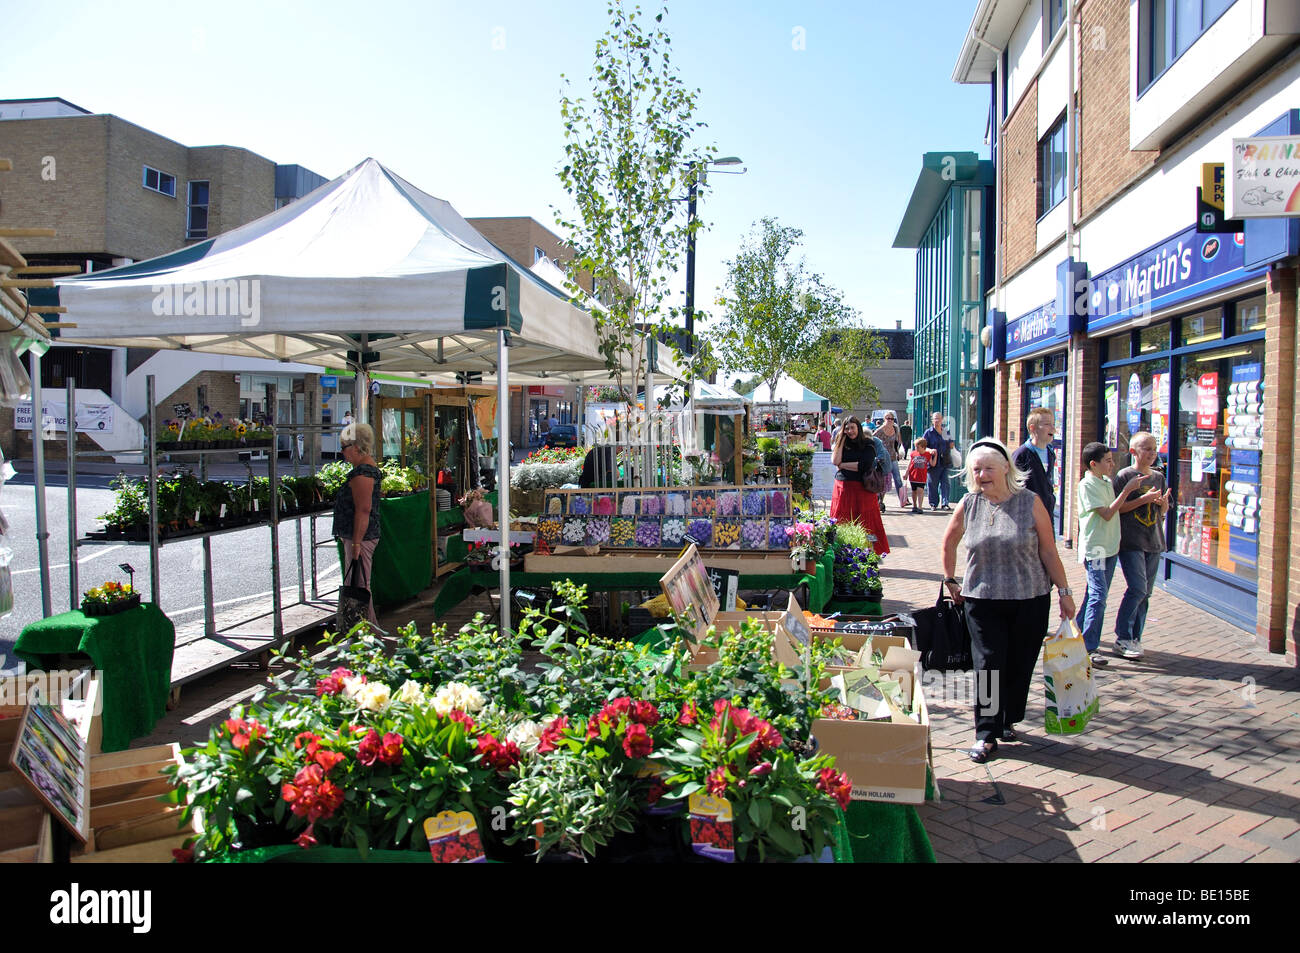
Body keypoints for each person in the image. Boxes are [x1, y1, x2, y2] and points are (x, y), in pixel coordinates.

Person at [940, 437, 1076, 763]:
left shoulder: (1030, 502)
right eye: (977, 469)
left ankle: (1007, 717)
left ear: (1005, 469)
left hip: (1029, 597)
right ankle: (985, 733)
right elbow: (949, 543)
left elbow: (1048, 550)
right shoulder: (969, 504)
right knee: (988, 664)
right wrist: (950, 579)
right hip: (981, 599)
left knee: (1019, 663)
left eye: (989, 468)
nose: (983, 474)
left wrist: (1065, 592)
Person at [1076, 442, 1144, 667]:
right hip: (1095, 548)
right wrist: (1127, 491)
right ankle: (1089, 647)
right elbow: (1106, 513)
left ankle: (1075, 632)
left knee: (1093, 596)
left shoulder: (1106, 482)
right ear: (1093, 464)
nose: (1112, 464)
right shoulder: (1087, 485)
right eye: (1108, 461)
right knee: (1099, 597)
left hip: (1110, 547)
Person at [1112, 432, 1171, 659]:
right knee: (1137, 587)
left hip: (1154, 540)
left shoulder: (1158, 477)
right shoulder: (1124, 475)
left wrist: (1163, 505)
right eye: (1146, 448)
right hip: (1131, 541)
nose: (1152, 453)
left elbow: (1162, 512)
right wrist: (1142, 500)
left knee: (1145, 593)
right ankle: (1123, 637)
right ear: (1134, 452)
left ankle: (1136, 637)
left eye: (1154, 448)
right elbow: (1117, 508)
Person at [332, 421, 382, 629]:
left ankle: (368, 632)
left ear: (355, 447)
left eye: (344, 447)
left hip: (360, 537)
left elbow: (363, 510)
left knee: (359, 585)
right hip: (360, 536)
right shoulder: (365, 470)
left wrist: (356, 544)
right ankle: (366, 630)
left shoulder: (363, 473)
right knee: (359, 584)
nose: (342, 452)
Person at [830, 416, 889, 555]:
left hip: (863, 490)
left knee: (869, 525)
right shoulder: (842, 443)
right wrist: (841, 440)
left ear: (859, 428)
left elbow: (864, 465)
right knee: (842, 522)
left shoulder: (868, 443)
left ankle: (872, 551)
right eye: (847, 428)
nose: (850, 431)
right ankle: (842, 552)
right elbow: (835, 461)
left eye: (852, 427)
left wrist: (843, 465)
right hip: (843, 488)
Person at [1012, 407, 1058, 519]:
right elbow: (1013, 487)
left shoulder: (1050, 453)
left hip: (1046, 513)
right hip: (1026, 516)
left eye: (1053, 424)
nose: (1053, 428)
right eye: (1047, 424)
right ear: (1033, 428)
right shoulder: (1021, 455)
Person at [875, 412, 909, 508]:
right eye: (888, 418)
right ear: (884, 419)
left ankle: (903, 500)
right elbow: (872, 440)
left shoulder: (895, 428)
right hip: (884, 459)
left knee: (898, 478)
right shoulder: (879, 431)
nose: (890, 420)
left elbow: (897, 441)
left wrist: (898, 452)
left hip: (893, 456)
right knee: (885, 480)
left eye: (892, 418)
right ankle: (880, 501)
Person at [922, 412, 952, 510]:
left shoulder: (946, 432)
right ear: (932, 420)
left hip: (945, 461)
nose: (937, 421)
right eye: (935, 419)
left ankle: (945, 503)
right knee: (932, 484)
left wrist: (951, 444)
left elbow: (951, 444)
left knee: (945, 482)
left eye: (938, 418)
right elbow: (922, 447)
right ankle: (933, 504)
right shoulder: (928, 432)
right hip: (933, 462)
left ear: (942, 420)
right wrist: (930, 450)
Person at [906, 437, 932, 513]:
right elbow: (910, 463)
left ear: (923, 447)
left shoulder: (927, 454)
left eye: (918, 447)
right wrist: (907, 473)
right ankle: (914, 505)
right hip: (913, 475)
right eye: (915, 447)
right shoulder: (913, 453)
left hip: (922, 476)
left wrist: (935, 455)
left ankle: (920, 507)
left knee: (920, 490)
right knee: (914, 491)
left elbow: (932, 463)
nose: (916, 448)